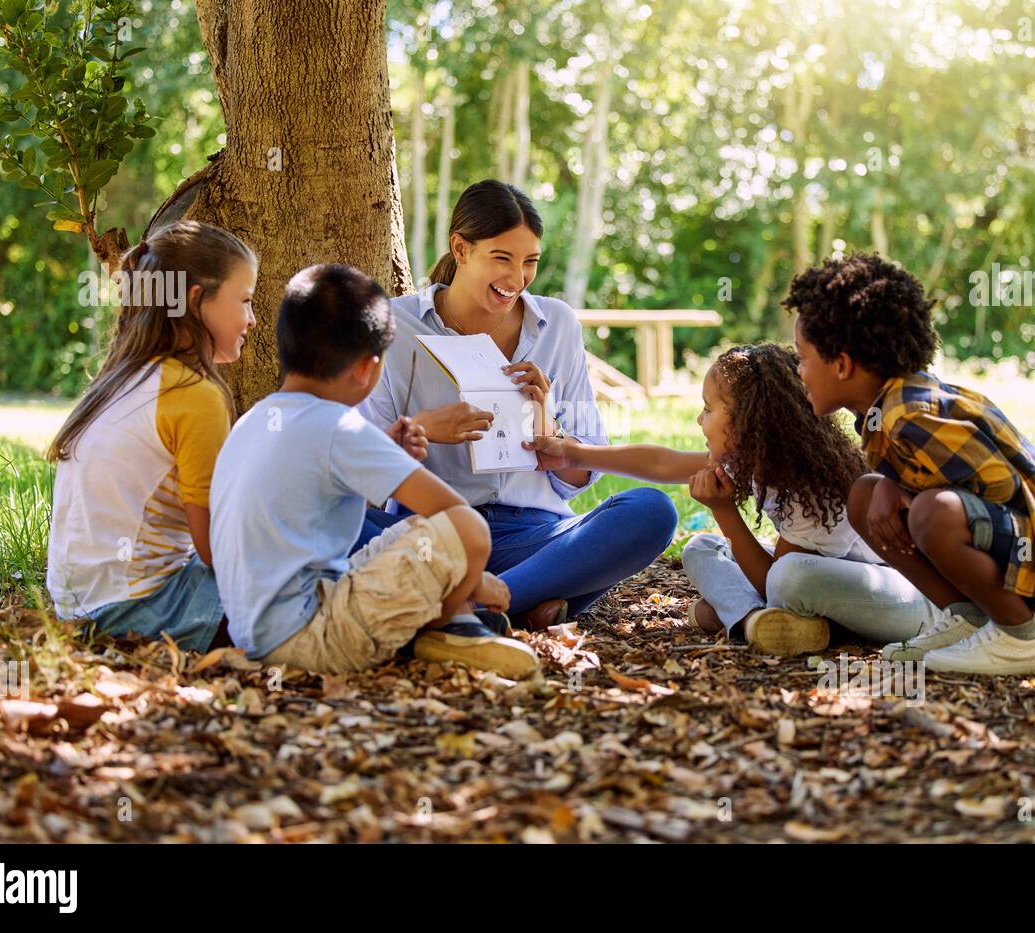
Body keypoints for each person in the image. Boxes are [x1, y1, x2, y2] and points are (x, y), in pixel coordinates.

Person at [358, 179, 677, 630]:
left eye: (530, 262)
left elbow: (584, 469)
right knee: (334, 520)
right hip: (432, 530)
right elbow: (361, 463)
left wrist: (554, 439)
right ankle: (523, 603)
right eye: (502, 258)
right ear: (461, 249)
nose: (516, 279)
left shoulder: (557, 325)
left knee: (651, 511)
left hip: (534, 534)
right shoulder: (395, 324)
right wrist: (424, 429)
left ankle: (476, 611)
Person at [210, 263, 538, 678]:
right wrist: (477, 583)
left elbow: (314, 493)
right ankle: (450, 623)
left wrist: (384, 447)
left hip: (255, 633)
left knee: (412, 530)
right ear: (368, 367)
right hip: (315, 638)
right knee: (467, 530)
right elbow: (456, 516)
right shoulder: (340, 427)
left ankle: (446, 622)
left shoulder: (255, 419)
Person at [787, 253, 1035, 675]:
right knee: (865, 495)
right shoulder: (883, 410)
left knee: (935, 514)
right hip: (1022, 552)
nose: (798, 370)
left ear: (842, 365)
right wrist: (891, 483)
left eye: (802, 357)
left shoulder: (912, 414)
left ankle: (1021, 639)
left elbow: (999, 485)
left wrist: (906, 487)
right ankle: (967, 618)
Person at [527, 344, 943, 656]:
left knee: (790, 576)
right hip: (815, 583)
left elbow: (775, 581)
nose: (698, 419)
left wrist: (725, 512)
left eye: (708, 408)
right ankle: (754, 622)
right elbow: (660, 462)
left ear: (747, 422)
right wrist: (574, 452)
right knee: (702, 547)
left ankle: (754, 617)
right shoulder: (757, 460)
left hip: (902, 600)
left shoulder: (812, 486)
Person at [46, 220, 257, 651]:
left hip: (76, 607)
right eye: (245, 301)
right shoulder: (194, 394)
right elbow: (217, 549)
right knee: (300, 581)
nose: (252, 320)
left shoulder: (122, 377)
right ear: (197, 301)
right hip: (137, 611)